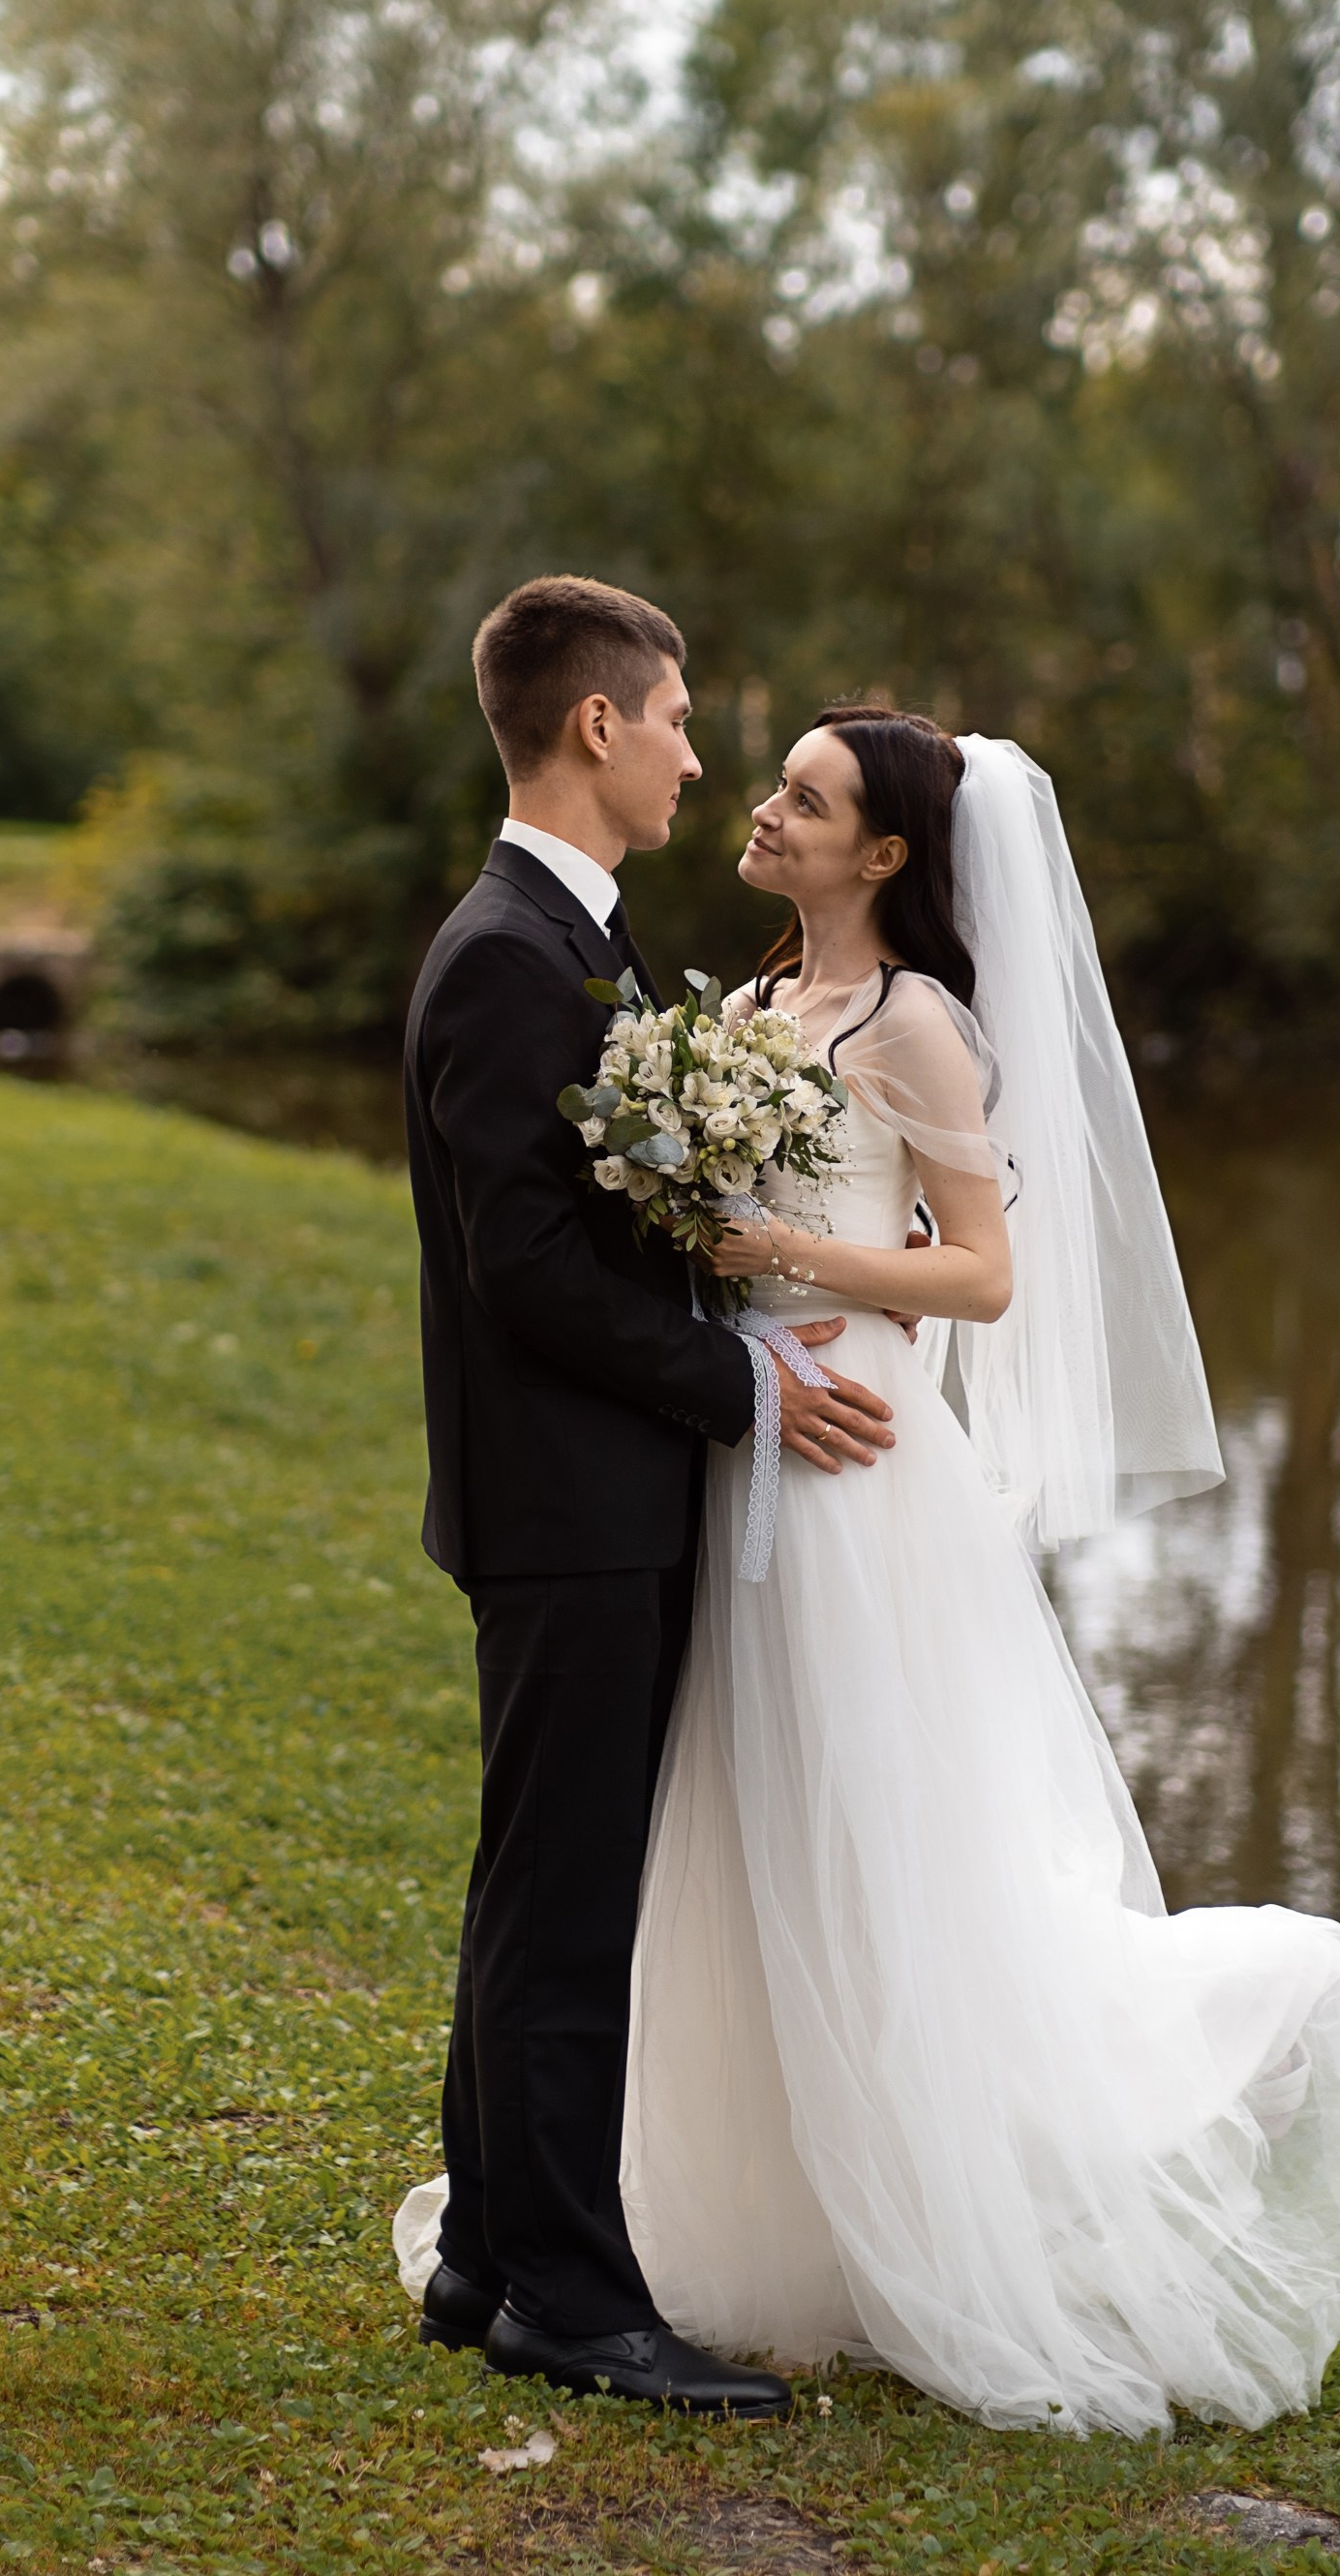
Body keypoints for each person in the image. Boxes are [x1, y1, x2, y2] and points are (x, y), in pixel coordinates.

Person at [617, 707, 1340, 2436]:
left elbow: (979, 1278)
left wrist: (782, 1252)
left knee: (876, 1818)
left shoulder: (917, 1031)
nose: (764, 809)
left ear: (884, 856)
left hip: (861, 1460)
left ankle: (954, 2200)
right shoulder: (739, 1014)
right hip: (746, 1427)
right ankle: (770, 2220)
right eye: (775, 785)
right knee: (745, 1806)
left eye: (803, 800)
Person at [398, 582, 897, 2418]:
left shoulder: (564, 938)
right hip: (572, 1507)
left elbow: (600, 1234)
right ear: (595, 727)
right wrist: (745, 1381)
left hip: (584, 1499)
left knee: (540, 1879)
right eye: (679, 716)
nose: (699, 752)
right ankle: (573, 2303)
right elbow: (527, 1272)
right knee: (568, 1899)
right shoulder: (513, 957)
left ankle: (484, 2258)